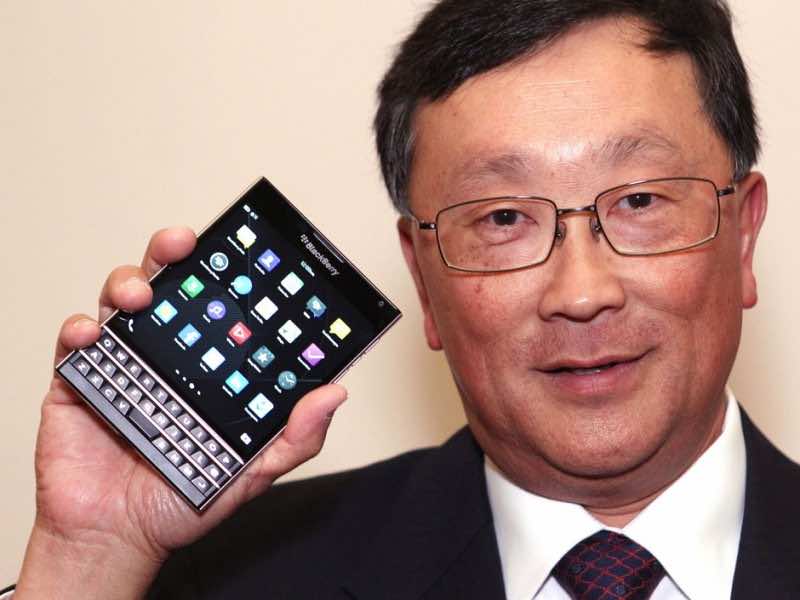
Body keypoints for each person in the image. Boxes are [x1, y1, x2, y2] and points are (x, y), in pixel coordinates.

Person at [7, 0, 799, 598]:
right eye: (502, 219)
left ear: (743, 236)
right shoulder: (220, 578)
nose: (582, 292)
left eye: (640, 201)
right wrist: (89, 557)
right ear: (422, 279)